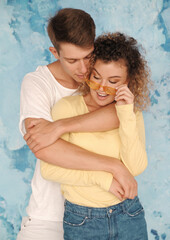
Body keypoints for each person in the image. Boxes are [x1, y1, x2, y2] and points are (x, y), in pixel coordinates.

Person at [17, 9, 137, 240]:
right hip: (48, 217)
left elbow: (123, 112)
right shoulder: (37, 83)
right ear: (54, 52)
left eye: (87, 57)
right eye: (72, 60)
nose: (83, 69)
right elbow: (44, 147)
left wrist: (60, 126)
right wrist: (113, 166)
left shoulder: (105, 76)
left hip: (105, 213)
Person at [40, 32, 151, 240]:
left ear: (128, 81)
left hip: (129, 214)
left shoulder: (129, 112)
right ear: (89, 73)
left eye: (113, 81)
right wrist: (103, 178)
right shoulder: (67, 108)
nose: (101, 88)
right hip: (82, 220)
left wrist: (126, 113)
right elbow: (50, 169)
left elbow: (135, 168)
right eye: (96, 77)